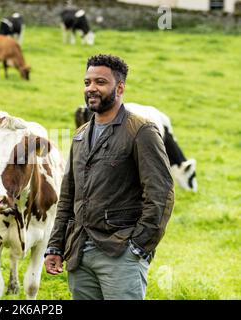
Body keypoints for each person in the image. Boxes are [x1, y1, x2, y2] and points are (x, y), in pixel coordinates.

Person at [44, 54, 174, 300]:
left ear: (120, 87)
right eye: (87, 82)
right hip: (79, 253)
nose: (91, 88)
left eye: (100, 82)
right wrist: (55, 245)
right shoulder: (81, 135)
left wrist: (138, 247)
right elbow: (68, 196)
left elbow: (161, 193)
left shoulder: (141, 131)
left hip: (121, 254)